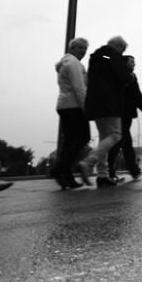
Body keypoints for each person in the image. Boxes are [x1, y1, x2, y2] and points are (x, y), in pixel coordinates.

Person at [79, 36, 131, 188]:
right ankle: (88, 162)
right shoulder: (113, 56)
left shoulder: (95, 57)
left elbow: (88, 80)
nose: (122, 53)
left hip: (94, 102)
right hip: (109, 102)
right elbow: (122, 77)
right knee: (115, 135)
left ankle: (102, 175)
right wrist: (128, 73)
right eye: (122, 50)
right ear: (118, 47)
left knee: (104, 138)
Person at [53, 36, 90, 190]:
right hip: (74, 105)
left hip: (64, 105)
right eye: (80, 47)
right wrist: (86, 108)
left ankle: (66, 176)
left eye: (85, 49)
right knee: (83, 137)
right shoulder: (73, 63)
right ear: (72, 48)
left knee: (69, 142)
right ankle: (59, 169)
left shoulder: (65, 62)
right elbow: (79, 88)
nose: (83, 51)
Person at [107, 55, 142, 181]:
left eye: (134, 62)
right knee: (125, 142)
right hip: (119, 113)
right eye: (131, 61)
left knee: (117, 143)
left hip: (125, 114)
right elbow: (134, 94)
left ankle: (110, 171)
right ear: (125, 63)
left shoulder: (131, 76)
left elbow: (137, 94)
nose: (134, 64)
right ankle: (133, 170)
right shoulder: (121, 76)